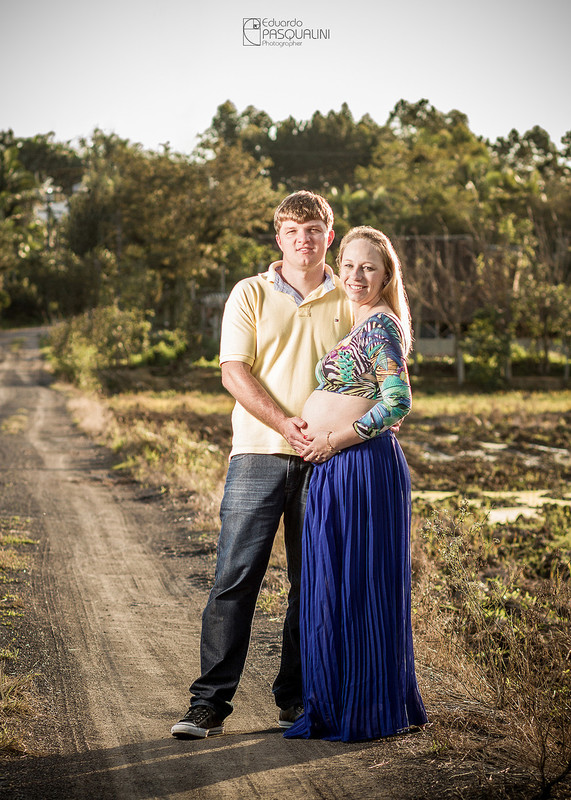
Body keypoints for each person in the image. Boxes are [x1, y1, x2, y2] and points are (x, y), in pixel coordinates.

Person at [171, 191, 353, 738]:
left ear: (330, 235)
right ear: (279, 237)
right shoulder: (249, 293)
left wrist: (341, 434)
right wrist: (283, 423)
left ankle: (296, 700)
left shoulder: (350, 298)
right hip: (258, 453)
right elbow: (234, 372)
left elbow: (373, 375)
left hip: (324, 459)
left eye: (314, 229)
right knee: (234, 577)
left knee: (312, 582)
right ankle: (208, 704)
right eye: (294, 230)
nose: (305, 239)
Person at [283, 225, 428, 742]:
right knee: (333, 584)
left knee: (356, 586)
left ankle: (363, 705)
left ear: (387, 275)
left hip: (360, 468)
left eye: (368, 266)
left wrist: (336, 439)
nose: (355, 275)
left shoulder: (382, 326)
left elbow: (397, 402)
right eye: (347, 264)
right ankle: (341, 700)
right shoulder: (359, 325)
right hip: (337, 465)